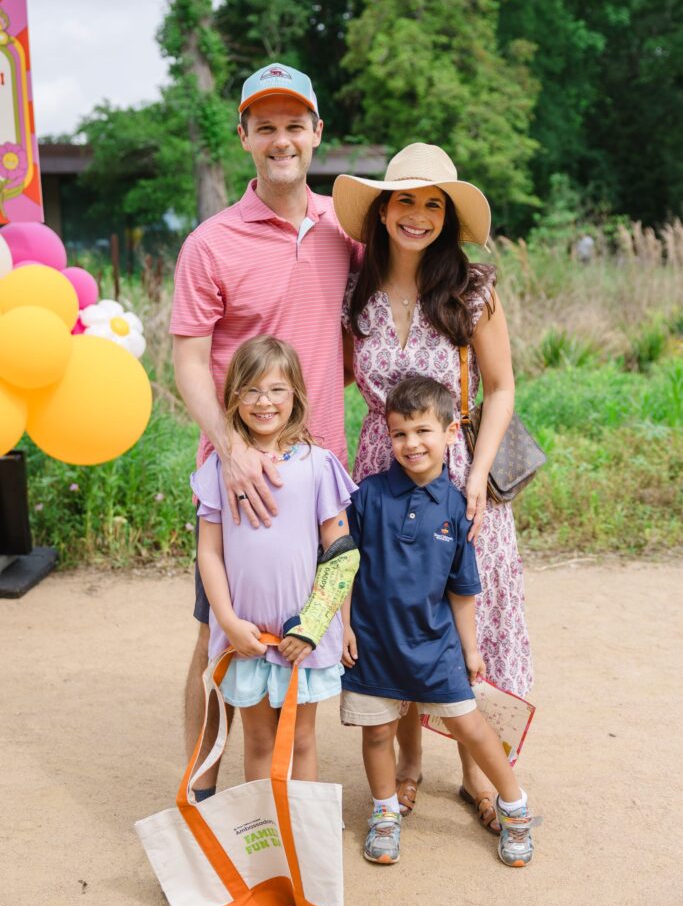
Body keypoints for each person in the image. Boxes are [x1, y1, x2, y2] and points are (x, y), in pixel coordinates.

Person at [171, 63, 361, 796]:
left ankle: (295, 801)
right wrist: (232, 451)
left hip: (321, 475)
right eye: (265, 126)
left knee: (309, 635)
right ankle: (203, 788)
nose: (280, 139)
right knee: (219, 638)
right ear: (244, 137)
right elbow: (189, 360)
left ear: (317, 134)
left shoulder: (346, 234)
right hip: (238, 481)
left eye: (294, 124)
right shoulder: (210, 244)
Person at [334, 142, 532, 832]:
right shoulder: (354, 292)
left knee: (463, 617)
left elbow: (502, 386)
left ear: (446, 216)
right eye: (404, 200)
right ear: (382, 209)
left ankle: (479, 775)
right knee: (394, 615)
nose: (416, 215)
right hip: (378, 473)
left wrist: (474, 474)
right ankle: (409, 767)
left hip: (457, 475)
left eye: (431, 204)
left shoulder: (470, 288)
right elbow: (337, 384)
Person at [341, 376, 537, 866]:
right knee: (377, 733)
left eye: (424, 431)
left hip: (436, 645)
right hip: (374, 642)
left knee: (470, 726)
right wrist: (343, 626)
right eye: (399, 434)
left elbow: (462, 587)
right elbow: (343, 564)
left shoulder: (457, 506)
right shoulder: (366, 495)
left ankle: (514, 807)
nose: (411, 444)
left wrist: (470, 650)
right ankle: (385, 812)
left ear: (451, 434)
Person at [193, 335, 359, 781]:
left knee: (301, 740)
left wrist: (316, 626)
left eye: (277, 390)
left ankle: (301, 838)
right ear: (233, 397)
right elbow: (209, 553)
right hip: (245, 637)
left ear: (296, 396)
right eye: (251, 390)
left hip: (301, 638)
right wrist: (226, 621)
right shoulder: (219, 468)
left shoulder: (319, 465)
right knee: (260, 742)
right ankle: (264, 838)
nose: (264, 402)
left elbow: (341, 555)